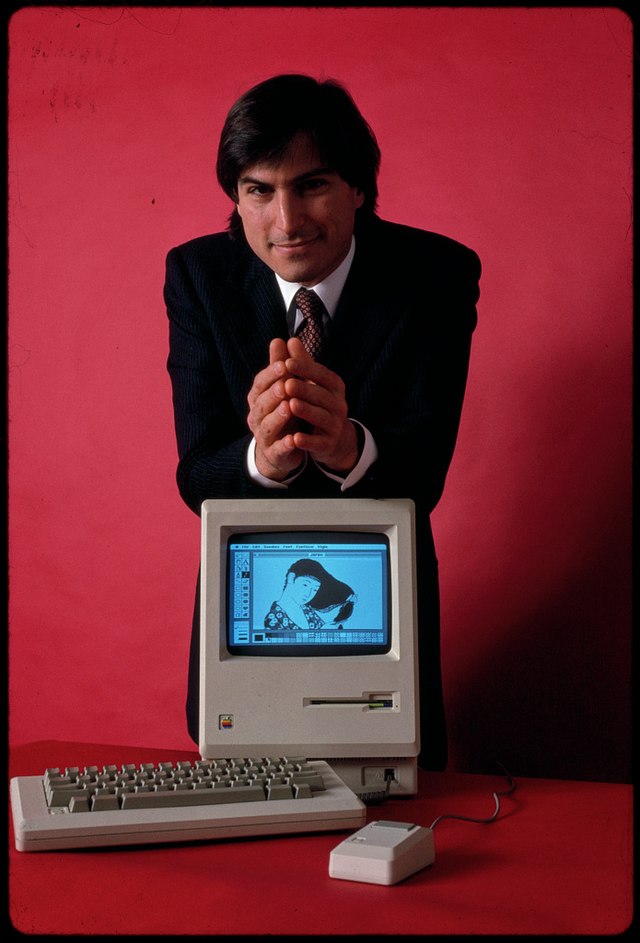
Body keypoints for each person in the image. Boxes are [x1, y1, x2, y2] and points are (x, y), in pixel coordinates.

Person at [164, 73, 481, 770]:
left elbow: (424, 473)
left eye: (312, 185)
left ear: (359, 189)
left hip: (387, 618)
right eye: (259, 189)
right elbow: (197, 475)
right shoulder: (196, 275)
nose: (286, 220)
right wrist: (261, 460)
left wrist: (348, 446)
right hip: (243, 614)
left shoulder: (437, 275)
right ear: (236, 198)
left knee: (391, 824)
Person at [264, 558, 356, 632]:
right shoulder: (273, 619)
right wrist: (322, 634)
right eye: (305, 585)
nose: (308, 594)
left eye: (315, 589)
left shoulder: (306, 609)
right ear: (291, 578)